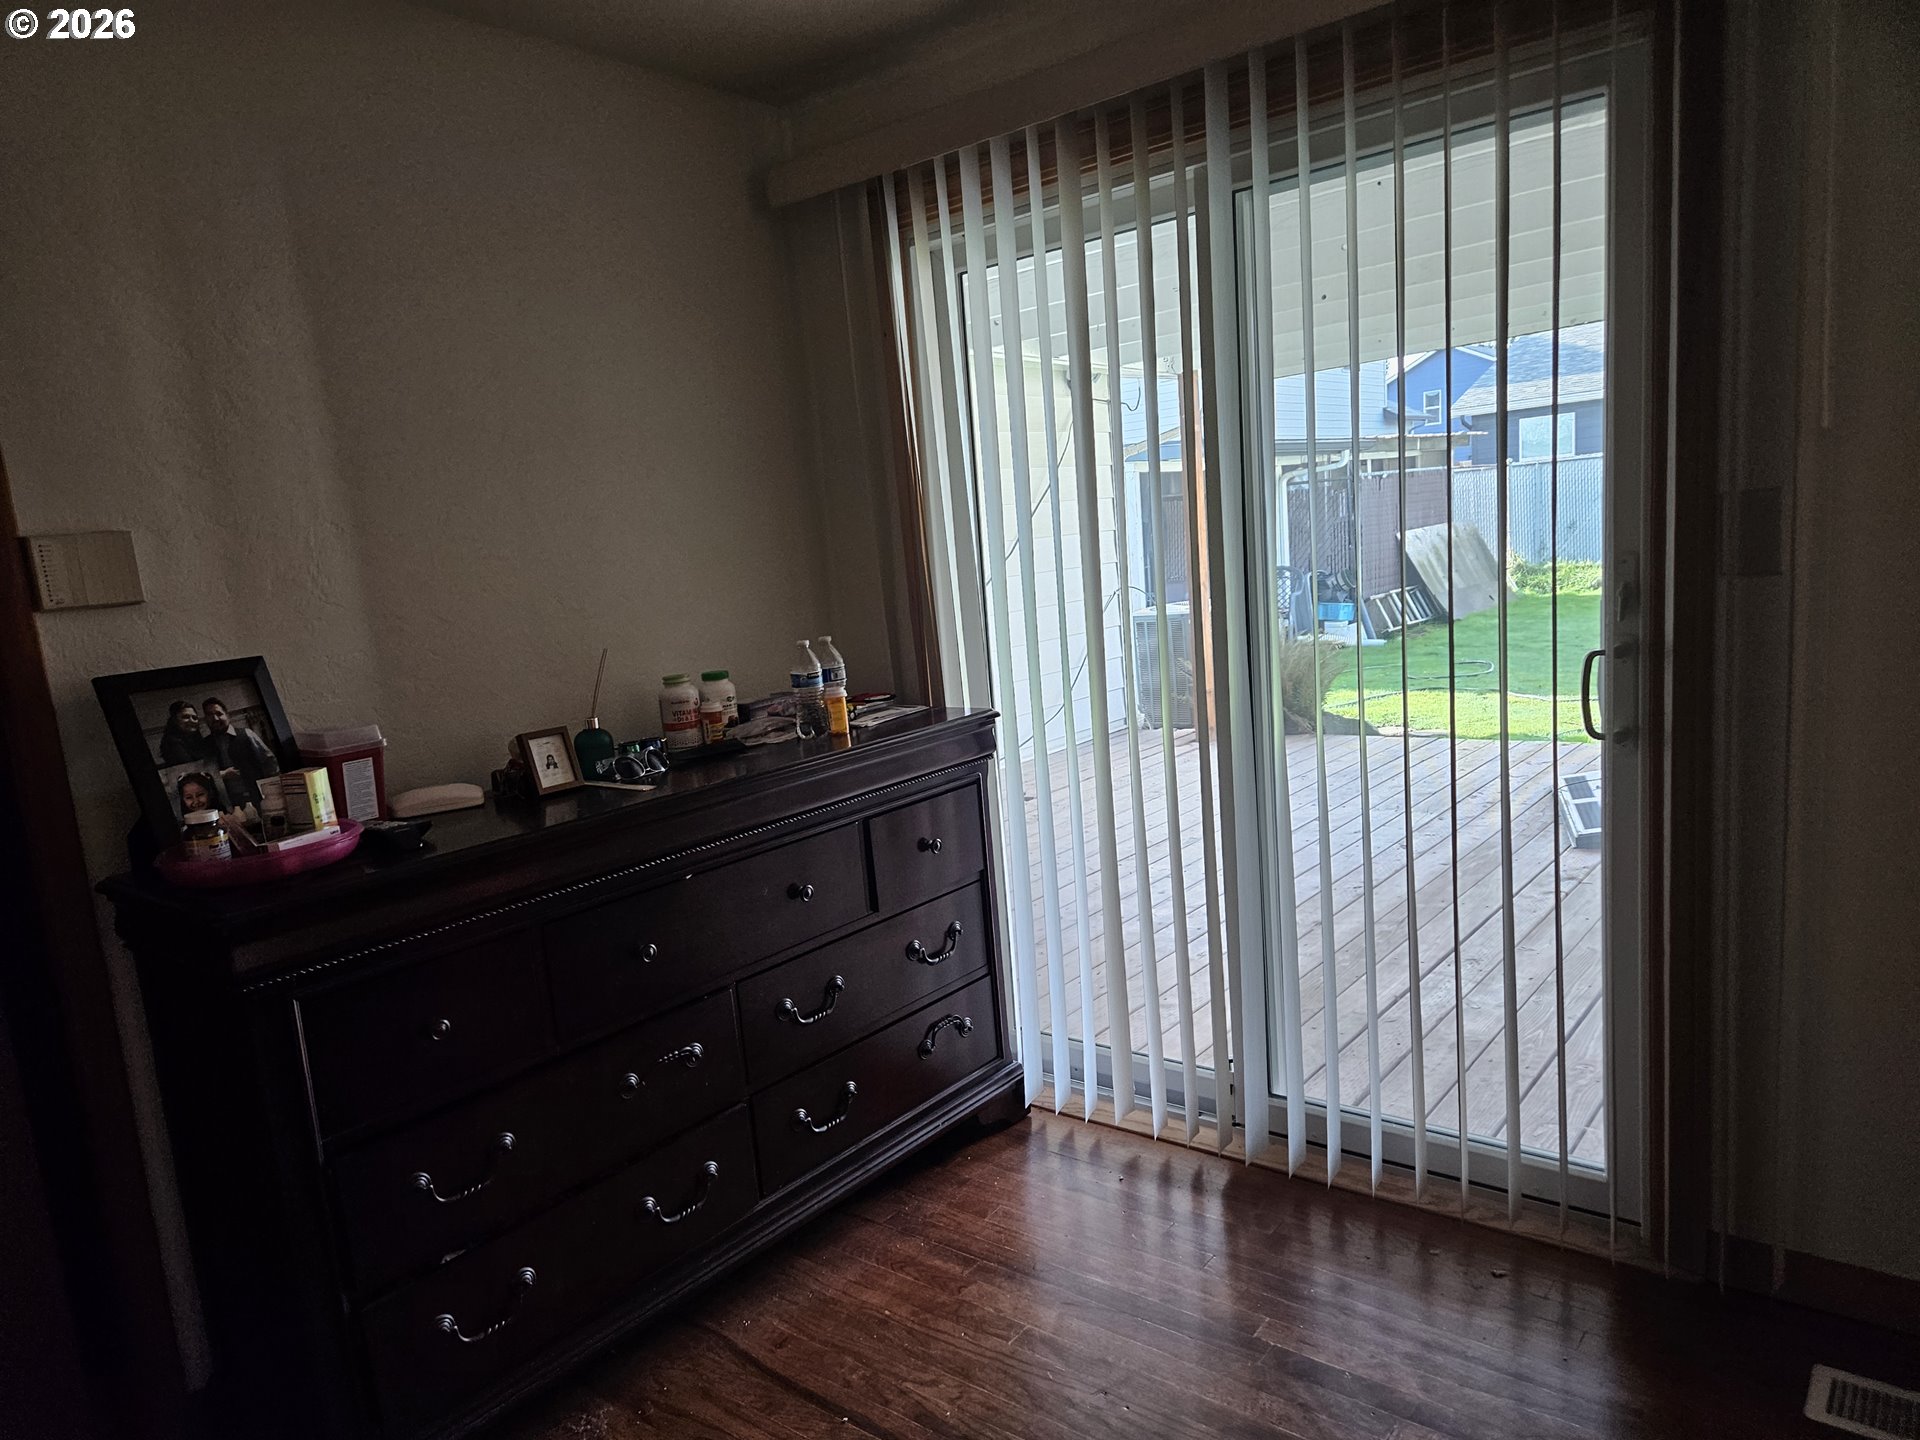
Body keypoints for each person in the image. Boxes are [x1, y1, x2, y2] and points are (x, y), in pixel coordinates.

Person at [201, 697, 280, 807]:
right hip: (227, 804)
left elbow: (269, 762)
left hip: (257, 797)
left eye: (219, 713)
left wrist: (272, 792)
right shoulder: (205, 745)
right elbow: (204, 775)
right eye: (210, 715)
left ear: (227, 715)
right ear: (205, 720)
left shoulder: (246, 734)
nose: (215, 718)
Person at [159, 700, 207, 765]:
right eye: (186, 717)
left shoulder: (198, 740)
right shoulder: (172, 742)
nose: (192, 721)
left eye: (194, 717)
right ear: (175, 720)